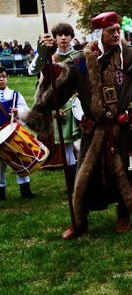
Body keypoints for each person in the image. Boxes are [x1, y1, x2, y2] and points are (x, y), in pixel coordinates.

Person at [25, 12, 132, 239]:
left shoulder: (129, 55)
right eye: (110, 30)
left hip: (125, 126)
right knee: (86, 174)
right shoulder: (80, 60)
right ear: (98, 33)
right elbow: (58, 85)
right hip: (94, 127)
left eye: (117, 29)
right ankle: (79, 221)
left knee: (126, 170)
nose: (116, 34)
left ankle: (124, 214)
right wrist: (46, 58)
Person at [29, 23, 80, 186]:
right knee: (66, 147)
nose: (63, 38)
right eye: (59, 35)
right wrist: (42, 52)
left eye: (66, 34)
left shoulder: (80, 56)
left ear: (72, 37)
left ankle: (85, 180)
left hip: (81, 107)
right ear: (55, 38)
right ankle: (72, 183)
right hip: (62, 109)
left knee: (85, 144)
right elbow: (33, 70)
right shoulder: (50, 59)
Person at [0, 66, 35, 200]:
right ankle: (1, 192)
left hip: (12, 135)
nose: (1, 79)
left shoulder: (15, 95)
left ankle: (25, 190)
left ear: (7, 78)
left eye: (3, 76)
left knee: (20, 160)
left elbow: (25, 111)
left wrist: (18, 113)